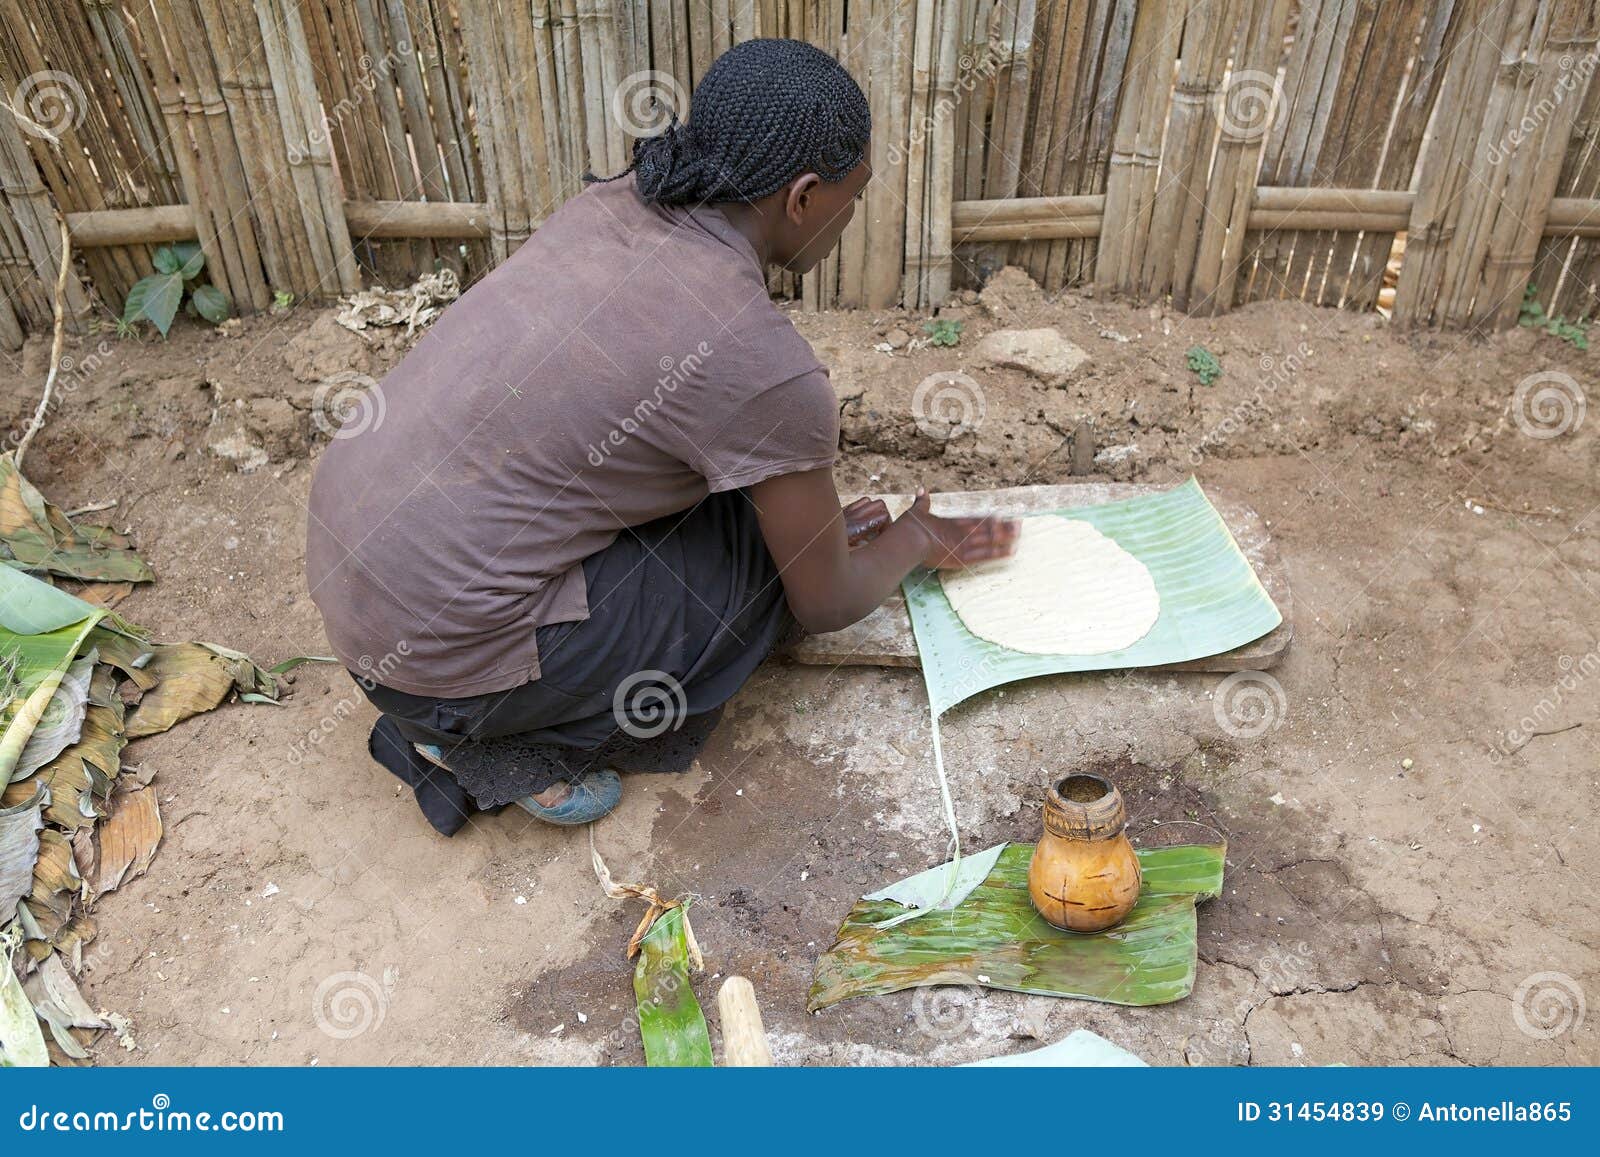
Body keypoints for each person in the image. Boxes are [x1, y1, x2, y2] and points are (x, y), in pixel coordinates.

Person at [304, 38, 1017, 836]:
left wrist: (813, 531)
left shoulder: (610, 205)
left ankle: (466, 707)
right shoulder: (757, 359)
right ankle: (490, 745)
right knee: (753, 587)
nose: (852, 218)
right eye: (855, 196)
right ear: (805, 197)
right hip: (434, 662)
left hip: (356, 570)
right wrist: (914, 537)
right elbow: (825, 603)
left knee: (743, 524)